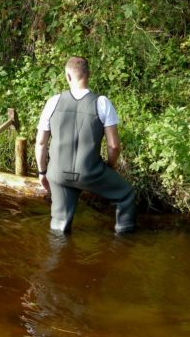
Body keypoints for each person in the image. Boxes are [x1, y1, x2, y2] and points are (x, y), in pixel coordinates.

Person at [35, 56, 136, 234]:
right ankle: (124, 239)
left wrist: (42, 172)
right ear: (89, 74)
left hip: (58, 174)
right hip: (91, 172)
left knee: (59, 224)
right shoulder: (102, 102)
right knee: (126, 194)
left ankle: (58, 252)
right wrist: (109, 168)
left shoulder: (53, 101)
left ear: (67, 76)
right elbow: (114, 146)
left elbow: (41, 143)